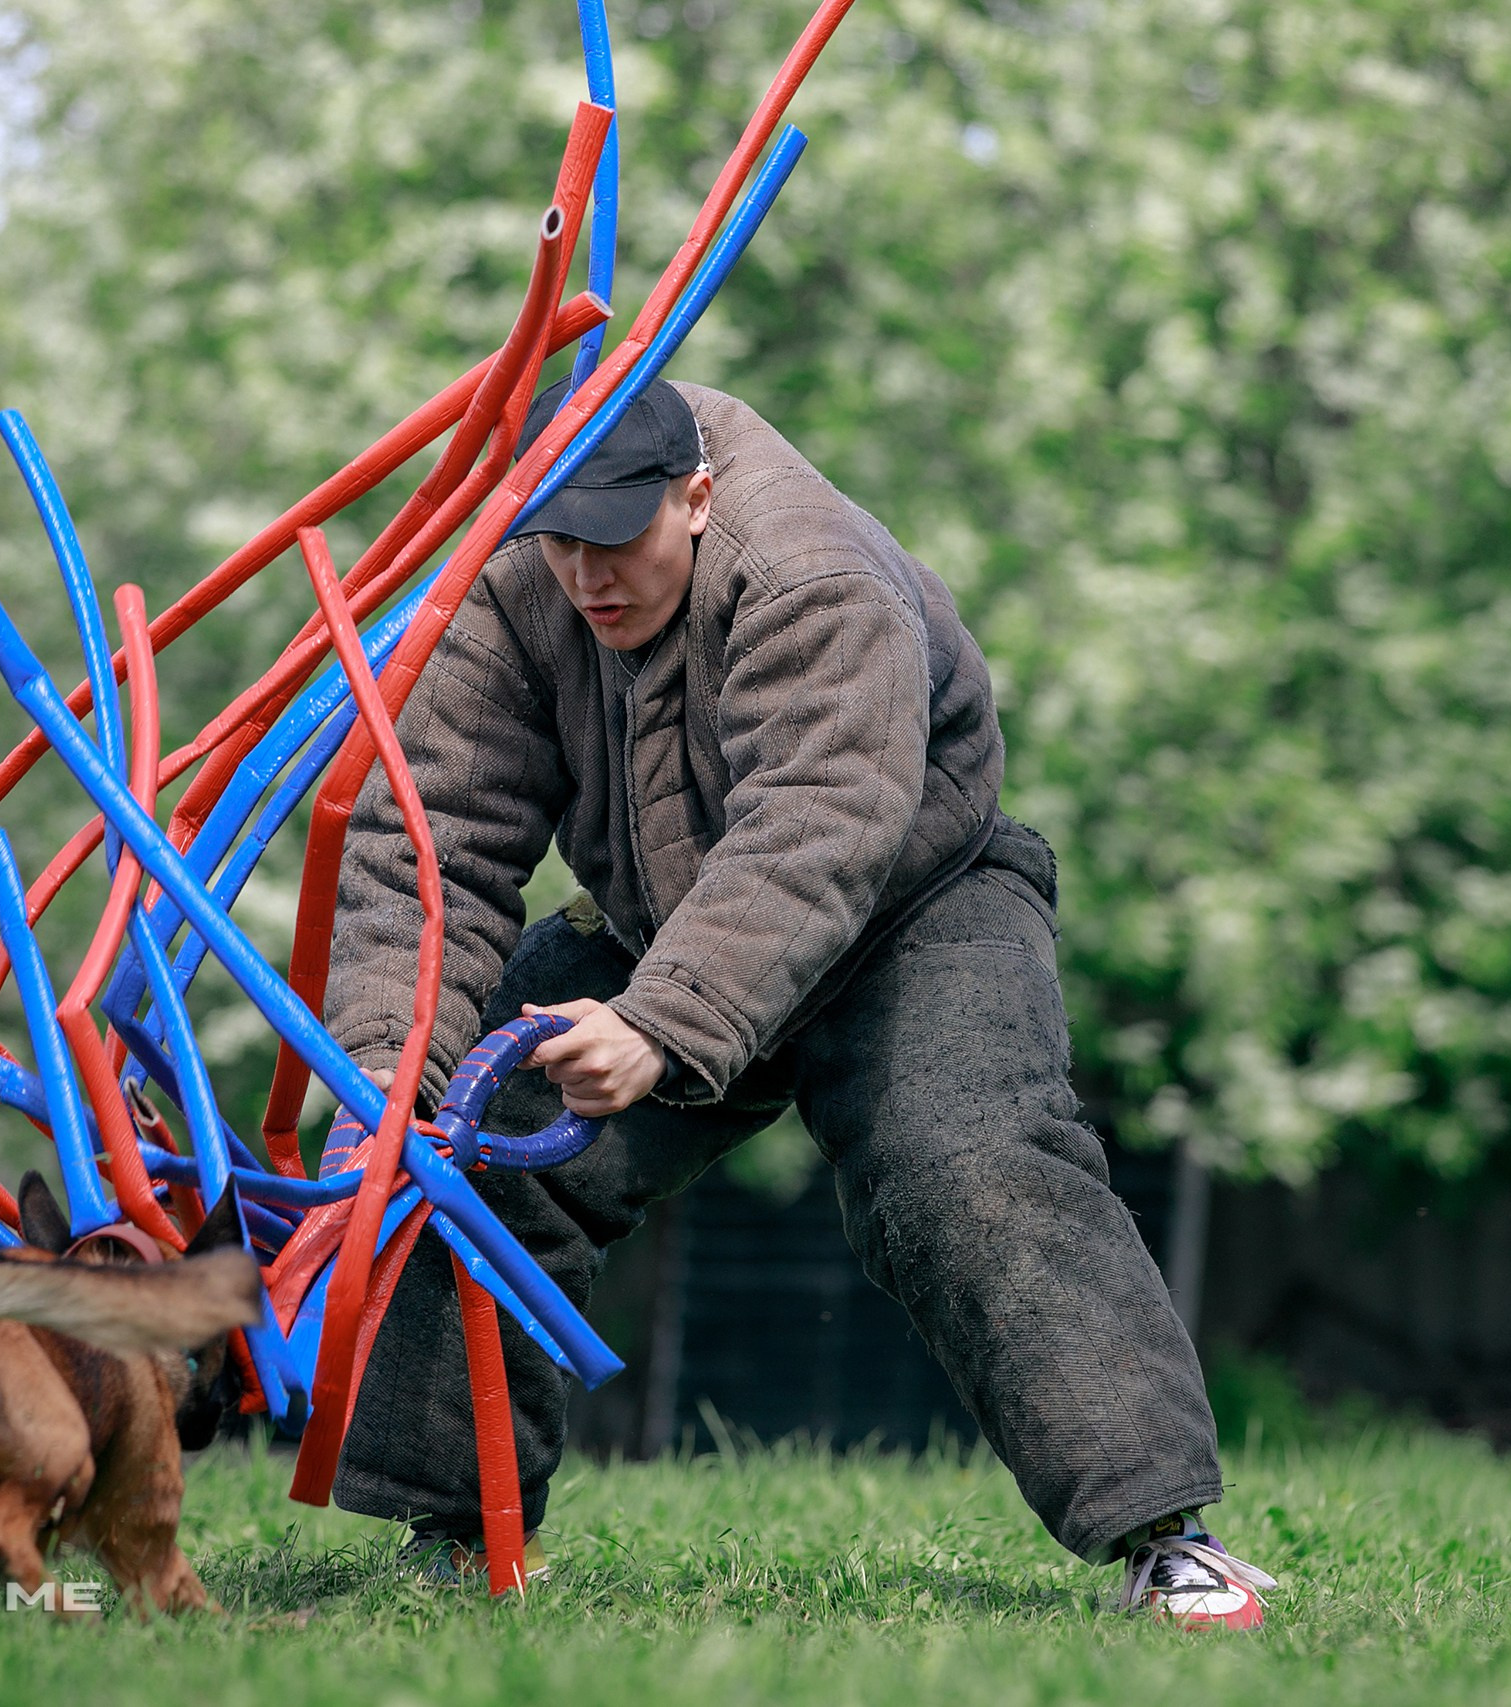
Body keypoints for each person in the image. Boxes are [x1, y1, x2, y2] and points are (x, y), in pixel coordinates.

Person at [319, 375, 1274, 1628]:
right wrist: (391, 1071)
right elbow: (431, 845)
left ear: (697, 496)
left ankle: (1167, 1540)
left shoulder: (815, 576)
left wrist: (659, 1026)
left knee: (966, 1165)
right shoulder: (519, 576)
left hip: (911, 911)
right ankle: (453, 1533)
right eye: (562, 542)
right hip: (662, 928)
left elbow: (812, 834)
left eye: (619, 540)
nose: (588, 576)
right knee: (463, 1153)